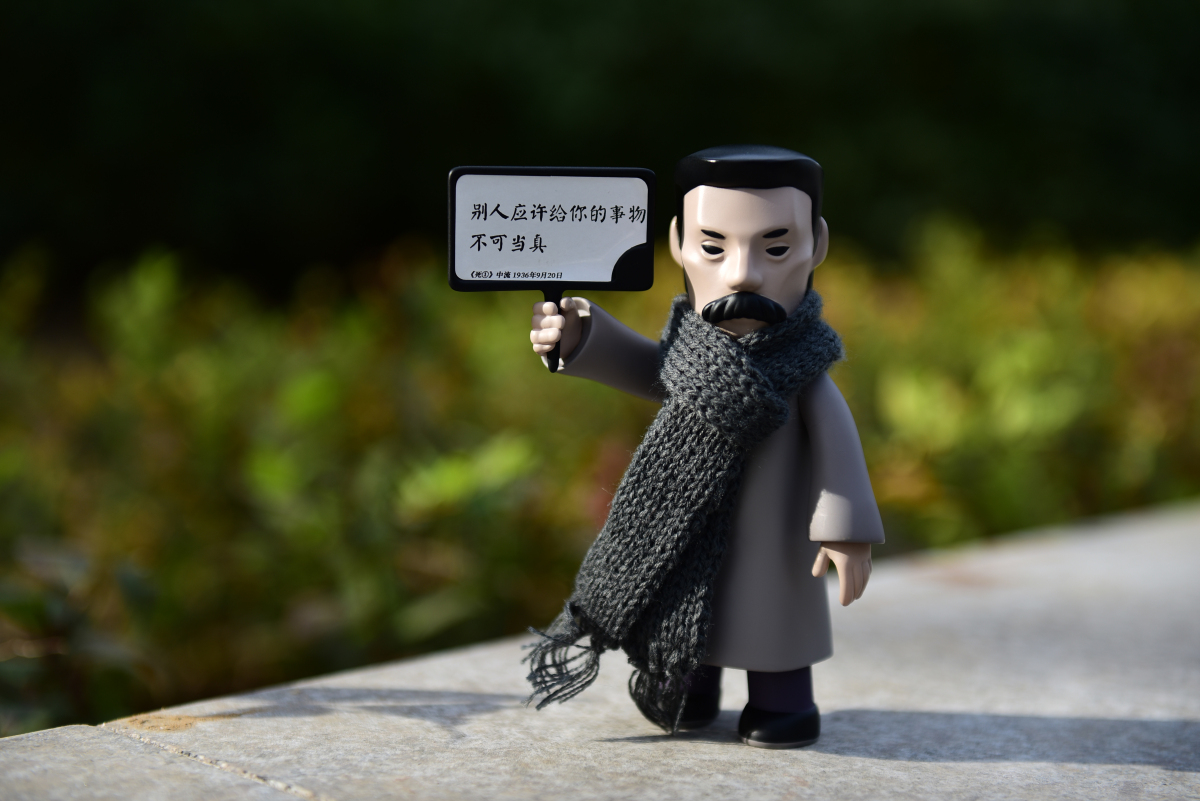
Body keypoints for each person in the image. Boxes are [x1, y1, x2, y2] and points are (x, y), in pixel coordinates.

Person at [525, 145, 884, 749]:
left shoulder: (807, 377)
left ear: (816, 245)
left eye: (775, 248)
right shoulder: (688, 359)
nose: (743, 274)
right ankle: (688, 688)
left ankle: (783, 703)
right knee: (688, 607)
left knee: (773, 620)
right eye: (714, 247)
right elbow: (643, 367)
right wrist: (579, 336)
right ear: (678, 244)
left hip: (776, 541)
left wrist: (845, 530)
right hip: (685, 530)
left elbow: (838, 451)